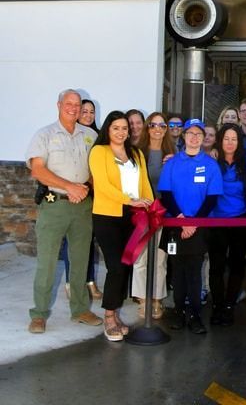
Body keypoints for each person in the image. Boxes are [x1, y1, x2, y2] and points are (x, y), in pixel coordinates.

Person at [26, 89, 102, 334]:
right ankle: (39, 314)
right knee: (47, 262)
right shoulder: (44, 135)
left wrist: (85, 187)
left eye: (77, 104)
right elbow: (37, 170)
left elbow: (96, 169)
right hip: (54, 205)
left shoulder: (90, 136)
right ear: (59, 105)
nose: (73, 108)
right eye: (68, 103)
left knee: (80, 260)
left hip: (82, 207)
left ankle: (80, 309)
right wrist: (69, 186)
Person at [90, 110, 154, 341]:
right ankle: (109, 316)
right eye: (116, 127)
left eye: (124, 128)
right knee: (115, 266)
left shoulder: (136, 153)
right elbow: (103, 185)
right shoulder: (99, 151)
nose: (120, 132)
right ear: (108, 129)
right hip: (107, 215)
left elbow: (144, 184)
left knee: (125, 265)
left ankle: (115, 313)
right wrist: (130, 200)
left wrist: (149, 207)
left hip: (133, 217)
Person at [158, 118, 223, 335]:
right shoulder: (172, 163)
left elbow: (212, 198)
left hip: (199, 226)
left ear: (204, 138)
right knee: (177, 271)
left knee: (195, 271)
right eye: (190, 133)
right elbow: (165, 194)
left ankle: (195, 315)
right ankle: (178, 312)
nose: (194, 138)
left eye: (198, 134)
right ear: (183, 136)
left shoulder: (211, 166)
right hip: (176, 224)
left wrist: (194, 222)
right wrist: (181, 218)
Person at [208, 123, 246, 325]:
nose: (230, 142)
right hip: (216, 219)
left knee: (237, 264)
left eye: (234, 139)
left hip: (240, 218)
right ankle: (217, 305)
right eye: (226, 138)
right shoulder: (212, 160)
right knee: (216, 266)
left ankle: (228, 305)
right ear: (220, 139)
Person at [131, 111, 174, 319]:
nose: (158, 129)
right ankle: (142, 299)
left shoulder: (173, 153)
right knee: (140, 258)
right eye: (153, 125)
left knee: (159, 258)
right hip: (141, 212)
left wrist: (174, 165)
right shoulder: (136, 152)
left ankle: (156, 299)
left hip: (163, 212)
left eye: (162, 125)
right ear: (147, 128)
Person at [61, 97, 102, 301]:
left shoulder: (97, 137)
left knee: (89, 241)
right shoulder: (68, 137)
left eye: (91, 112)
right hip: (73, 195)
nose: (87, 115)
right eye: (83, 111)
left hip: (94, 196)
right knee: (72, 243)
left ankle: (90, 282)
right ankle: (71, 283)